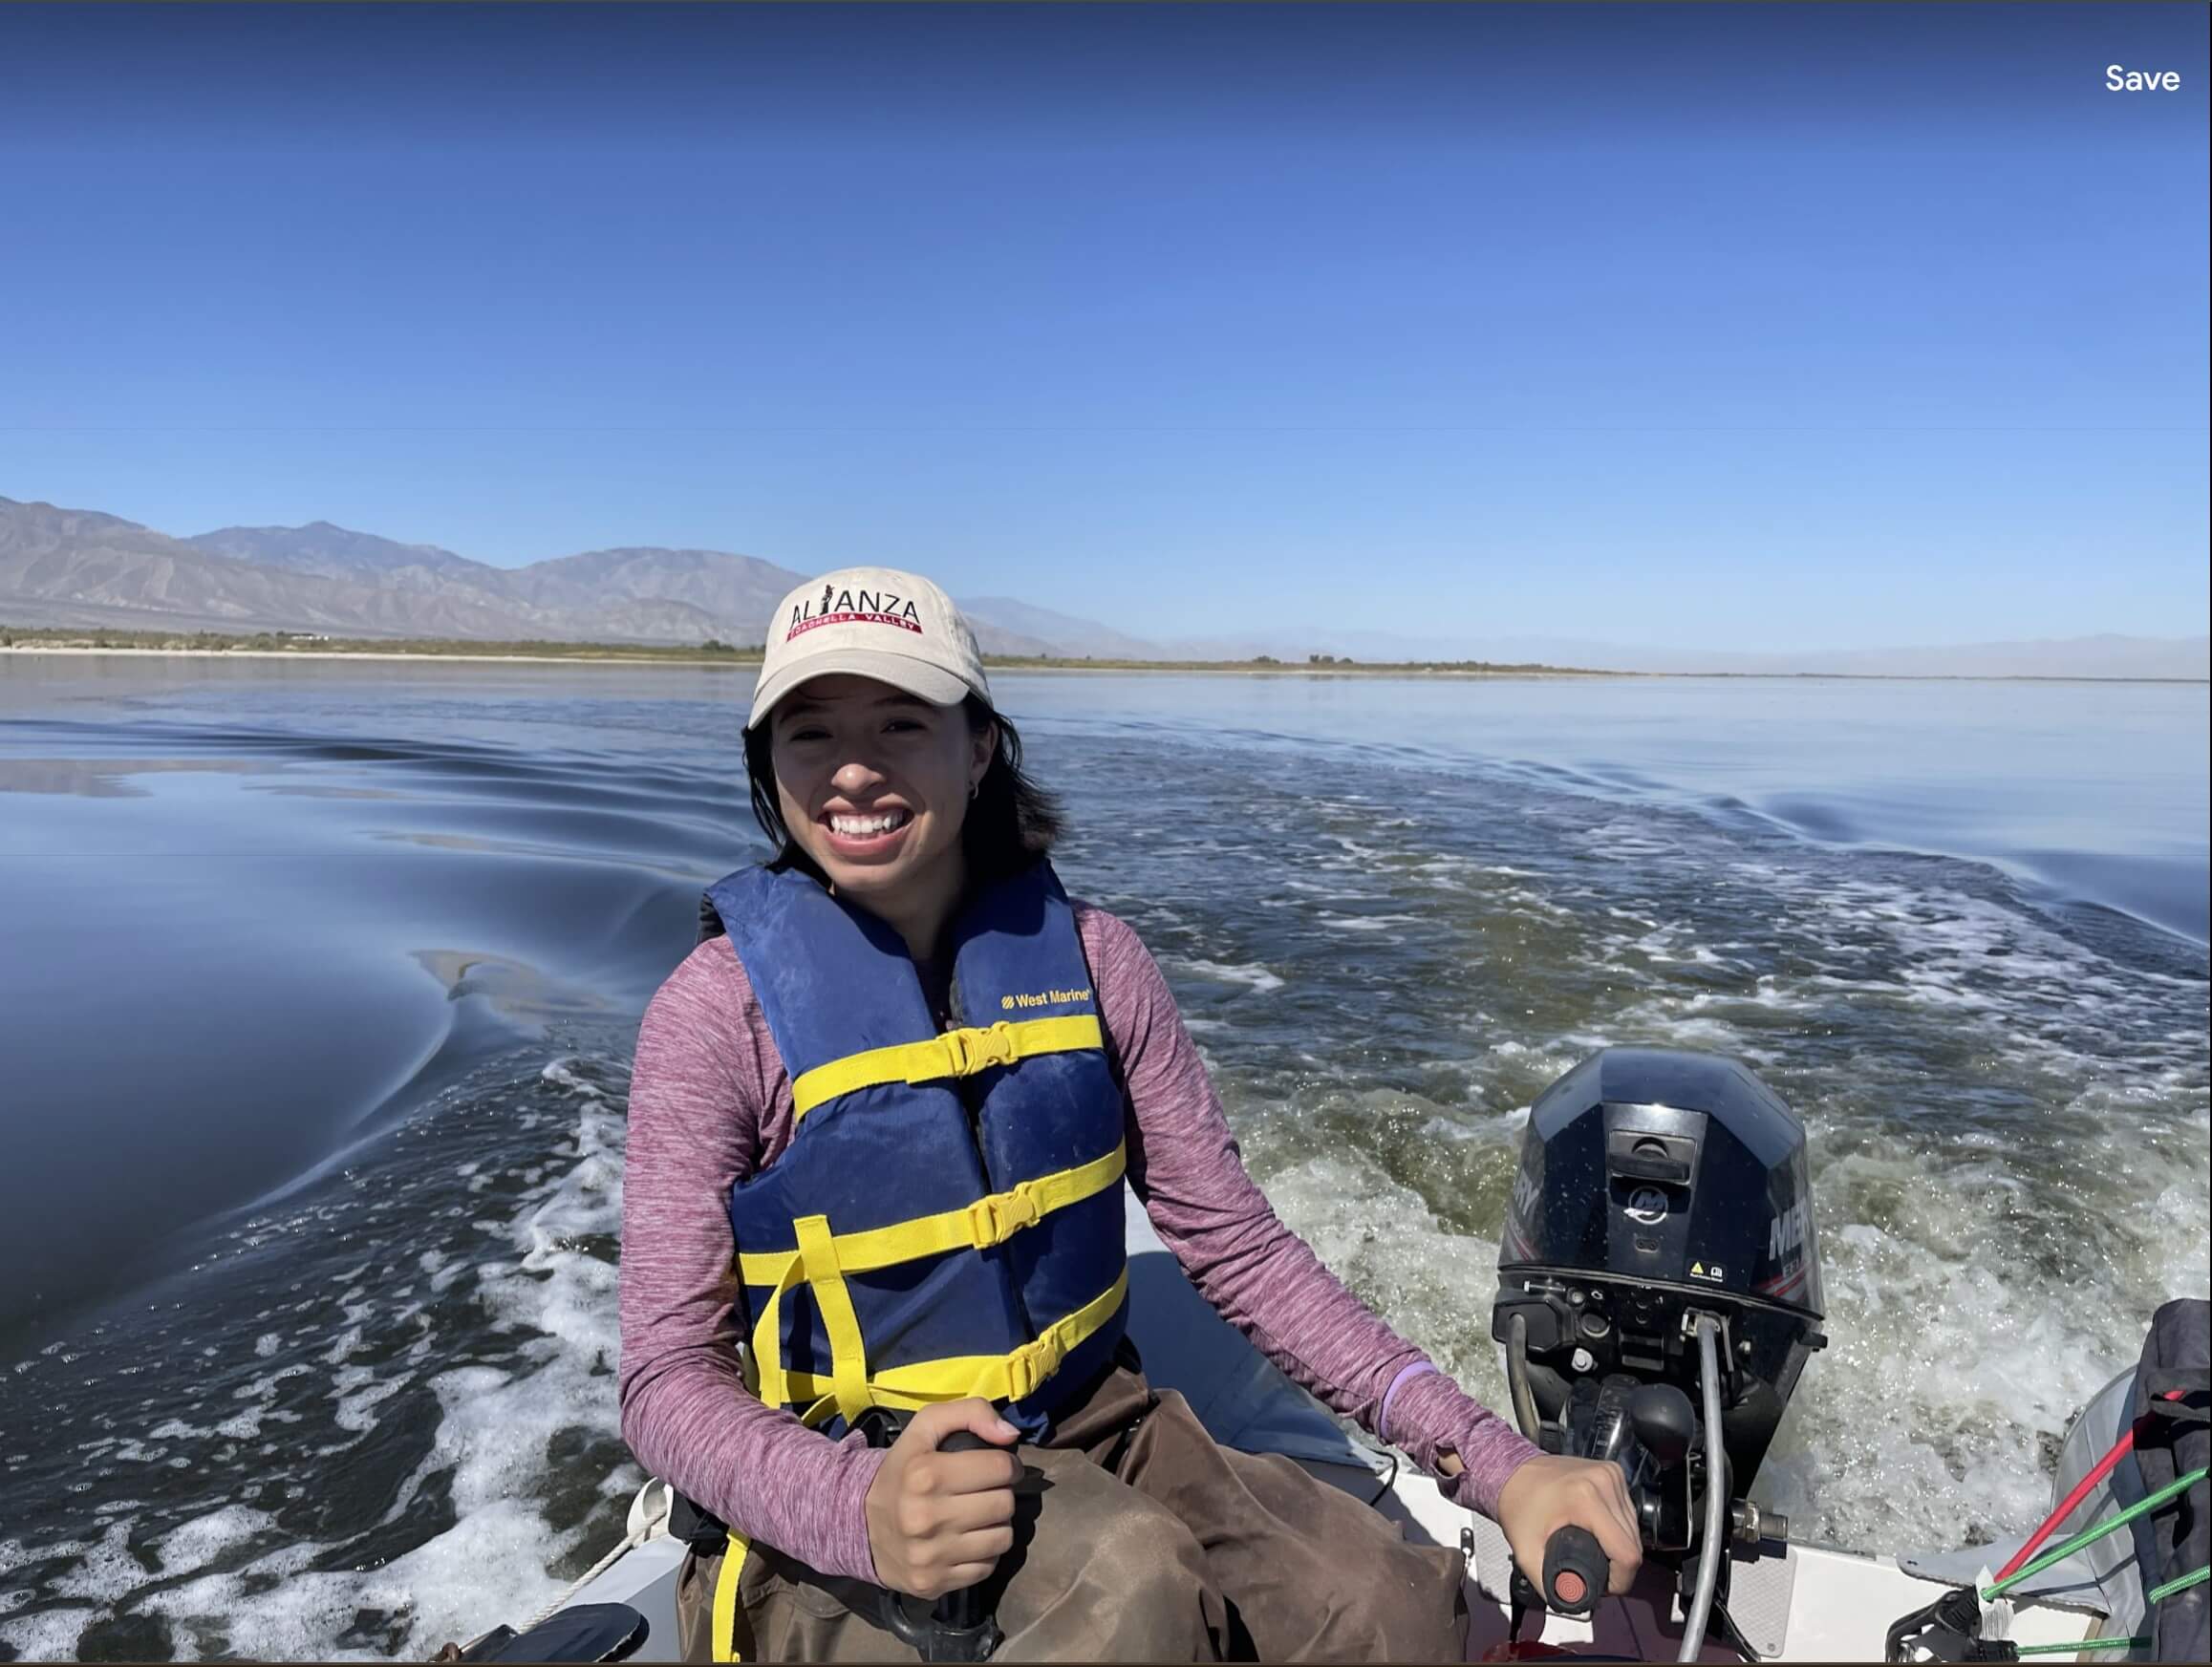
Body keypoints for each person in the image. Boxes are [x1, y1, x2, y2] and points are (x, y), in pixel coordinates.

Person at [617, 567, 1641, 1662]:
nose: (853, 768)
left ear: (978, 747)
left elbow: (1238, 1247)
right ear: (766, 766)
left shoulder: (1100, 964)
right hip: (845, 1495)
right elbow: (663, 1378)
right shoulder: (714, 1014)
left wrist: (1500, 1463)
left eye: (901, 723)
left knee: (1382, 1604)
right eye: (808, 731)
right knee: (1130, 1598)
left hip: (1094, 1425)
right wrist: (855, 1503)